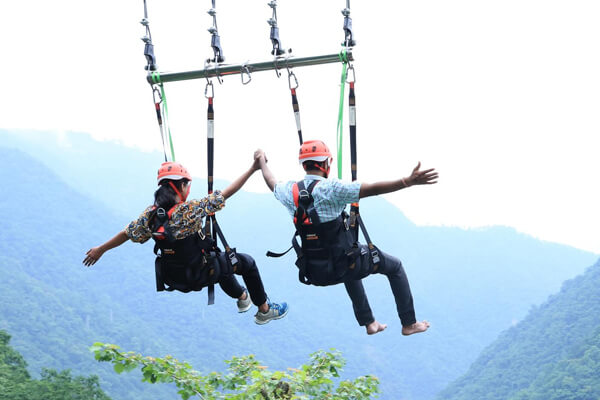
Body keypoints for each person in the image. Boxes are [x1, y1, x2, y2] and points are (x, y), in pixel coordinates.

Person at [255, 140, 437, 335]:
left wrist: (261, 161)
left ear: (304, 165)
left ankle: (370, 323)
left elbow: (271, 181)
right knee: (394, 266)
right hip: (342, 265)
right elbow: (373, 188)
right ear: (326, 164)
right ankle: (409, 323)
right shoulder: (333, 189)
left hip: (314, 272)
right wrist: (406, 182)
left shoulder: (290, 192)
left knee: (350, 254)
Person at [83, 158, 288, 325]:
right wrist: (253, 168)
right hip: (201, 272)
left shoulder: (150, 216)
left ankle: (243, 298)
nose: (188, 189)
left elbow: (126, 234)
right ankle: (264, 310)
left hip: (175, 277)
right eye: (187, 185)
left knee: (221, 263)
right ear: (180, 185)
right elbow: (226, 194)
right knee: (245, 263)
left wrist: (101, 249)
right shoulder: (189, 211)